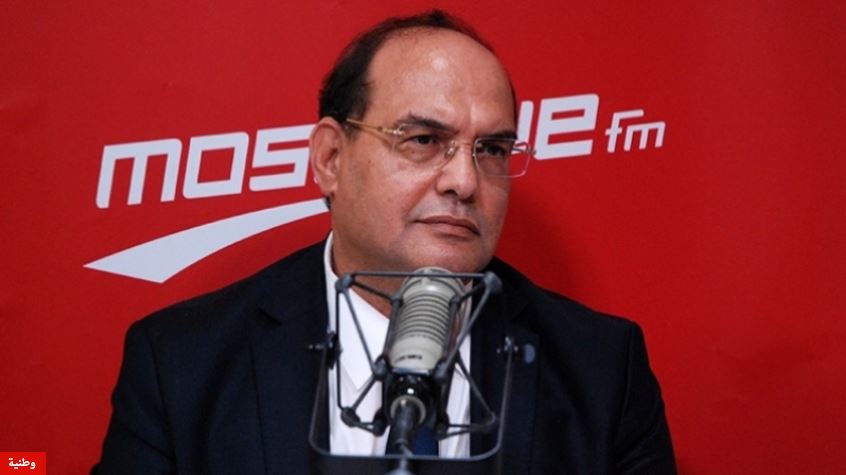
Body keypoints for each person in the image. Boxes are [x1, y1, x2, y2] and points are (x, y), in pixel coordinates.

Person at [95, 10, 676, 475]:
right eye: (423, 139)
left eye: (492, 149)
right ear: (331, 158)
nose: (465, 180)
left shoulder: (602, 371)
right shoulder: (181, 364)